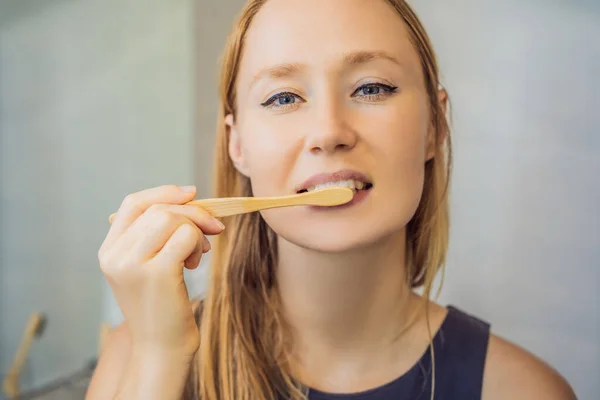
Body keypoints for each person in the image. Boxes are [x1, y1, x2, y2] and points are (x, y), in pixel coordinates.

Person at [86, 0, 577, 399]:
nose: (328, 132)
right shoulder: (139, 358)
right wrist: (160, 363)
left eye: (372, 88)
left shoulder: (523, 390)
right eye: (283, 97)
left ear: (436, 126)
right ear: (238, 146)